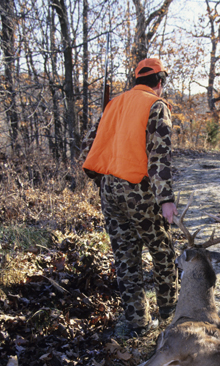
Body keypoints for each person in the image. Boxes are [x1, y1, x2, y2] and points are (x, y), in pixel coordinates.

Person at [83, 58, 178, 337]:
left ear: (137, 79)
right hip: (140, 191)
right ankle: (171, 318)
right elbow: (159, 157)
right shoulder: (156, 105)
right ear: (160, 82)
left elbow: (91, 144)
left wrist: (104, 179)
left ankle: (137, 321)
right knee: (162, 253)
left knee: (125, 256)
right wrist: (166, 199)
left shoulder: (113, 104)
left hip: (109, 189)